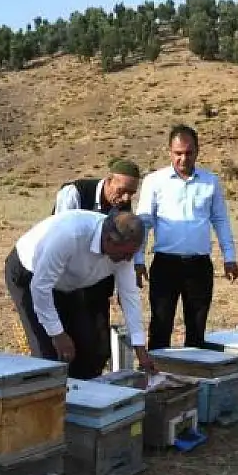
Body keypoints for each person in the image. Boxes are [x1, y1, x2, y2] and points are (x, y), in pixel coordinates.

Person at [5, 209, 156, 378]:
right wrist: (57, 334)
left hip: (71, 284)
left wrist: (140, 348)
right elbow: (40, 287)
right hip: (30, 275)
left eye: (132, 255)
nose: (128, 260)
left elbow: (130, 297)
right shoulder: (70, 236)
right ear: (109, 240)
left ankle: (80, 399)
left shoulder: (123, 248)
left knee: (89, 350)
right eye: (126, 254)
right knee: (47, 355)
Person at [134, 124, 238, 349]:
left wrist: (229, 256)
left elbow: (220, 220)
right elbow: (143, 223)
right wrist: (139, 260)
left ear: (197, 151)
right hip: (165, 264)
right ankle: (157, 378)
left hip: (199, 266)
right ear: (170, 152)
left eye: (188, 153)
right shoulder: (154, 181)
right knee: (160, 327)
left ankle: (193, 379)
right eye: (178, 153)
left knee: (197, 329)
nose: (183, 158)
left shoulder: (210, 182)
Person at [50, 158, 141, 374]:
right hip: (67, 284)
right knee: (69, 344)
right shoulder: (75, 192)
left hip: (98, 284)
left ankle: (92, 394)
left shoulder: (123, 208)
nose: (126, 198)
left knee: (99, 348)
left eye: (131, 193)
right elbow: (60, 234)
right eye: (123, 190)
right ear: (108, 180)